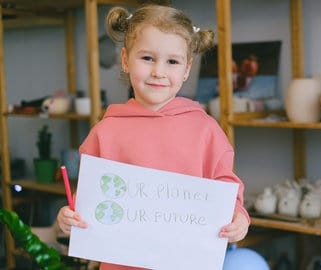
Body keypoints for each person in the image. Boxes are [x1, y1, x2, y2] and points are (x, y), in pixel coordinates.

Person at [57, 4, 250, 269]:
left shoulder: (206, 130)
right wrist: (70, 216)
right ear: (125, 59)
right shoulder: (105, 131)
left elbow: (226, 187)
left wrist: (239, 216)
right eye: (147, 58)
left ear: (186, 68)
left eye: (172, 61)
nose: (159, 71)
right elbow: (91, 198)